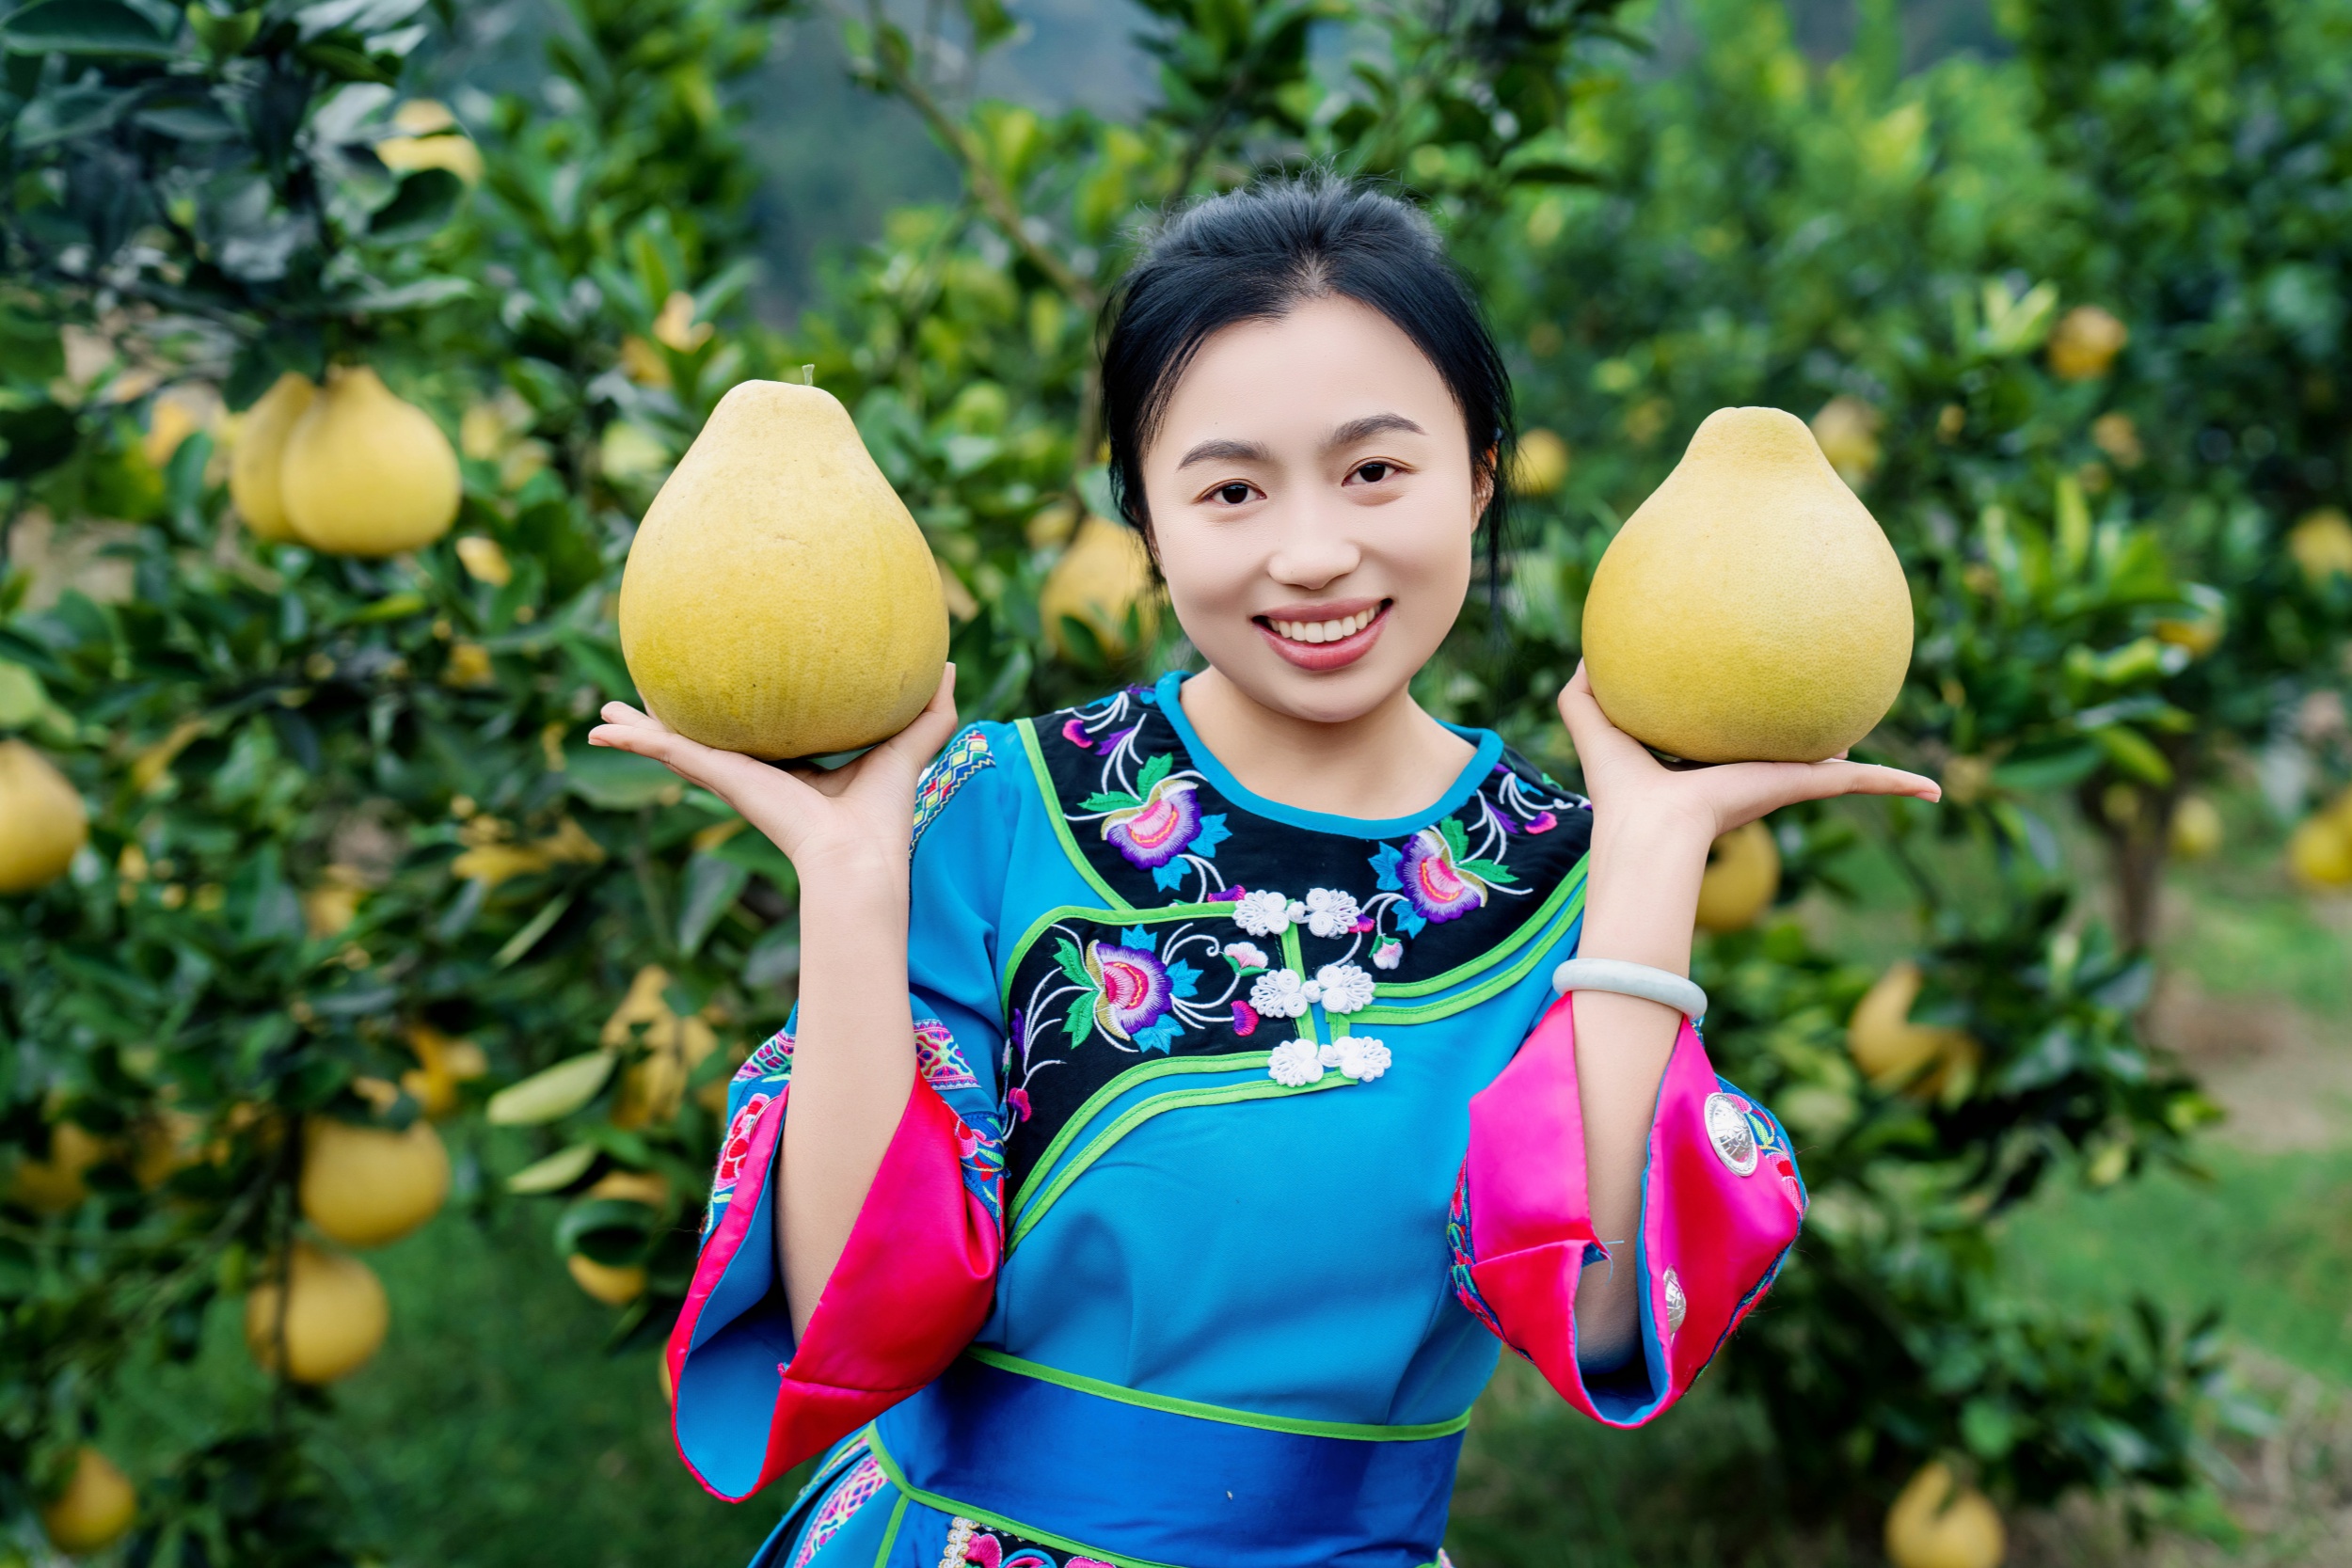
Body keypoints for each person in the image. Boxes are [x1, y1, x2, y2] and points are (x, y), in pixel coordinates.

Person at [589, 173, 1939, 1568]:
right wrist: (849, 872)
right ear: (1147, 523)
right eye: (1231, 488)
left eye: (1374, 471)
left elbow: (1601, 1321)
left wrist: (1653, 850)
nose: (1312, 554)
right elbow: (841, 1313)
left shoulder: (1558, 880)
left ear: (1479, 475)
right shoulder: (1006, 809)